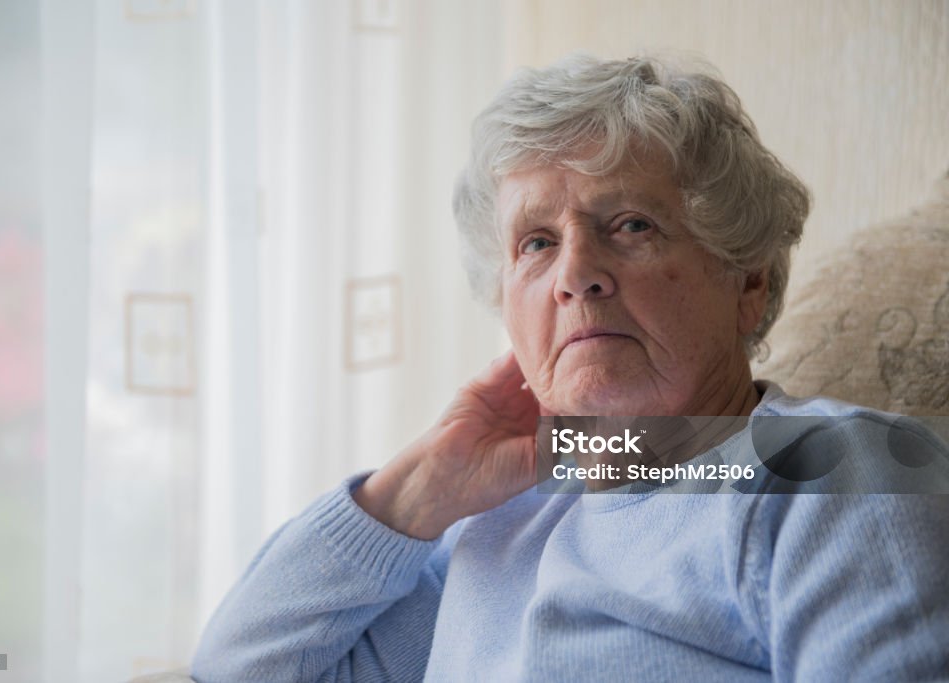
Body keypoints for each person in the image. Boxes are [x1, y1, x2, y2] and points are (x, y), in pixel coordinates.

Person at [190, 54, 949, 681]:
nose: (576, 273)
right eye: (536, 243)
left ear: (747, 280)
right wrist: (412, 495)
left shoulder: (836, 474)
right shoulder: (496, 524)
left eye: (631, 225)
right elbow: (237, 668)